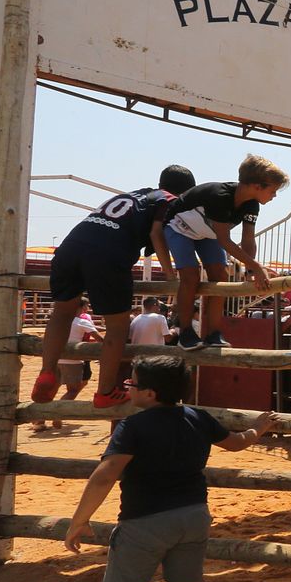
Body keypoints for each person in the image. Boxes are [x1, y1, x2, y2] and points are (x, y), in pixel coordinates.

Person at [63, 355, 279, 582]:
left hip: (145, 521)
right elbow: (237, 442)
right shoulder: (197, 417)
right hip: (193, 516)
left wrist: (79, 520)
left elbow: (106, 474)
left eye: (131, 383)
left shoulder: (133, 427)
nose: (127, 388)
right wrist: (259, 428)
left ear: (149, 393)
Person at [32, 165, 194, 408]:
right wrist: (170, 274)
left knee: (62, 313)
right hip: (108, 254)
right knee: (118, 326)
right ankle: (105, 391)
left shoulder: (131, 195)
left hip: (70, 248)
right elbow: (156, 232)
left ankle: (47, 371)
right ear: (185, 191)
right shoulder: (170, 200)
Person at [165, 156, 285, 349]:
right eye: (273, 191)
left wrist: (251, 270)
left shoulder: (251, 204)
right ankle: (185, 332)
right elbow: (224, 240)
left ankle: (213, 333)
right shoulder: (220, 196)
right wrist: (257, 266)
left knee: (220, 275)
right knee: (190, 275)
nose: (274, 196)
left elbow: (248, 239)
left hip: (206, 233)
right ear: (256, 186)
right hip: (179, 228)